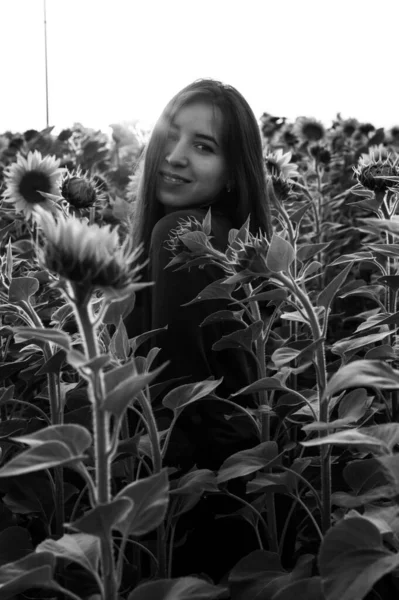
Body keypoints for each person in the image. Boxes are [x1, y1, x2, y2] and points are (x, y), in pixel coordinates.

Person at [125, 78, 273, 579]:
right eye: (172, 135)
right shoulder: (236, 243)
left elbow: (179, 403)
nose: (176, 155)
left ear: (234, 173)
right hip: (242, 505)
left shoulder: (183, 237)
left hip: (191, 519)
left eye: (203, 146)